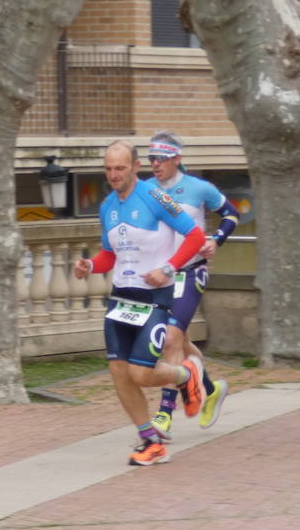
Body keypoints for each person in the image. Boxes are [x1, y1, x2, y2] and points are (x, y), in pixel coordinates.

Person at [73, 140, 208, 466]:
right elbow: (110, 254)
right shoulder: (107, 206)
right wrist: (90, 265)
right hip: (122, 298)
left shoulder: (155, 197)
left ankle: (185, 375)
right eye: (108, 169)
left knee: (141, 372)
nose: (113, 175)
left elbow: (195, 237)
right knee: (119, 371)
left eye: (120, 168)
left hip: (154, 297)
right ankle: (150, 440)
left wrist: (168, 268)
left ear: (135, 166)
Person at [144, 131, 240, 442]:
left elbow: (231, 213)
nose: (155, 164)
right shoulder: (145, 190)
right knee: (181, 343)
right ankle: (211, 391)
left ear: (177, 159)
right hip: (161, 276)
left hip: (190, 272)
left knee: (170, 339)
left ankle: (164, 414)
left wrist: (217, 240)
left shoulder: (199, 188)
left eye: (161, 159)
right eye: (151, 159)